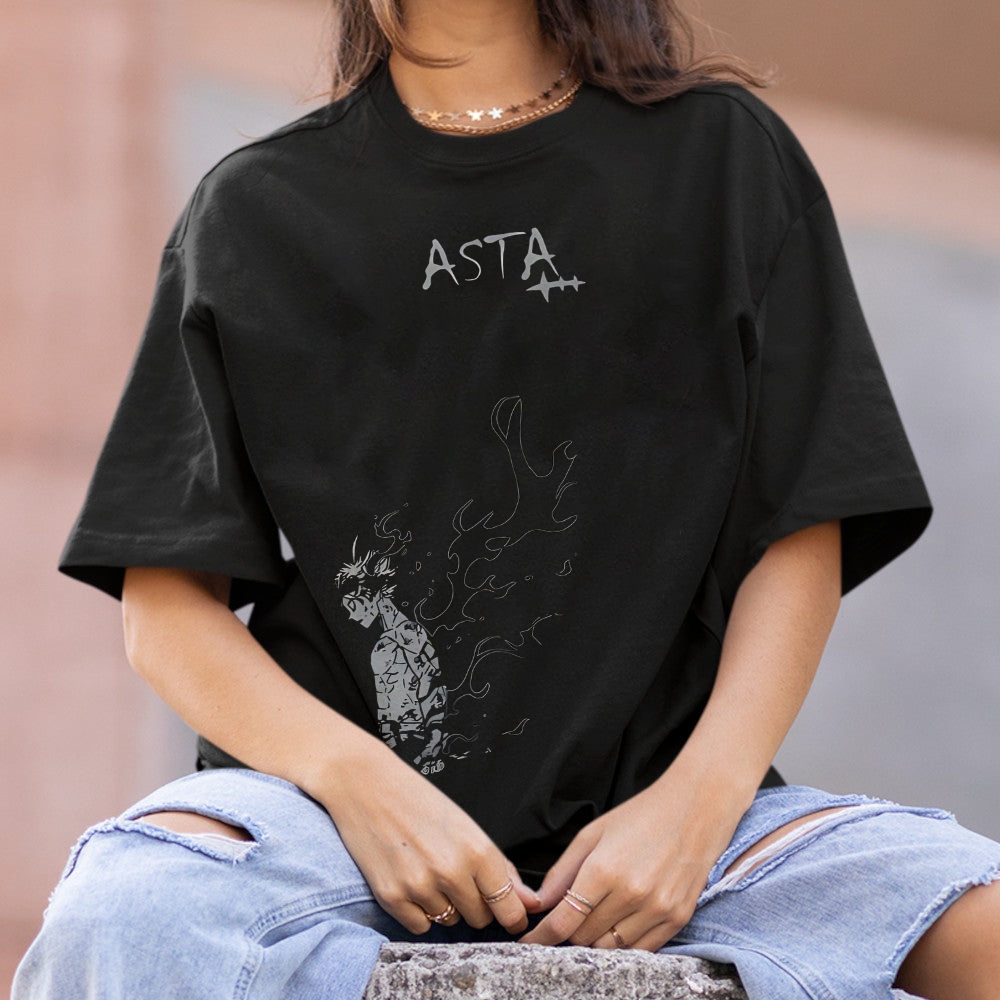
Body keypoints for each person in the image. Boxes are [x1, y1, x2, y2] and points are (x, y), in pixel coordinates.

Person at [13, 1, 1000, 998]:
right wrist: (361, 787)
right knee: (123, 914)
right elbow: (165, 607)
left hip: (689, 824)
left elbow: (803, 521)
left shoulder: (723, 159)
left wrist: (698, 807)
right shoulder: (255, 210)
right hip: (324, 829)